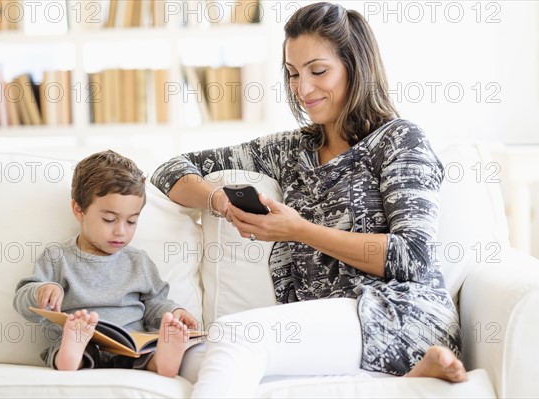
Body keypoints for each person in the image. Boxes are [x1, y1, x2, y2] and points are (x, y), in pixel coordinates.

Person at [151, 2, 466, 396]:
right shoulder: (290, 150)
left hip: (397, 312)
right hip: (325, 330)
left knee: (237, 337)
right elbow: (170, 169)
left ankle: (408, 365)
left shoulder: (399, 140)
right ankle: (397, 379)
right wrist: (220, 201)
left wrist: (298, 230)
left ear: (357, 67)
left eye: (318, 71)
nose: (302, 89)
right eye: (293, 74)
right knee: (197, 354)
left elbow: (411, 256)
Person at [13, 150, 198, 376]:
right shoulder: (57, 256)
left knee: (146, 352)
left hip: (130, 345)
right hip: (82, 338)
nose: (121, 231)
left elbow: (155, 304)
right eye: (109, 220)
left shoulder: (138, 261)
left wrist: (174, 312)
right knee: (70, 346)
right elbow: (24, 303)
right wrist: (40, 291)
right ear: (78, 210)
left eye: (131, 221)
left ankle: (163, 361)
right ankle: (71, 358)